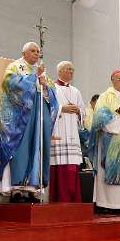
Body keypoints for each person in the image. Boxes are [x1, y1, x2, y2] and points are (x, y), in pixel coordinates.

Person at [0, 42, 58, 203]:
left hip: (38, 116)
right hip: (20, 118)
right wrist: (33, 78)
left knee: (36, 148)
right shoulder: (15, 67)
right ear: (23, 53)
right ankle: (15, 188)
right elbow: (9, 85)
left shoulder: (42, 72)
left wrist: (45, 86)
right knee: (20, 150)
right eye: (33, 51)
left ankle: (32, 188)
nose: (36, 53)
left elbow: (51, 95)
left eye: (38, 51)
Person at [89, 70, 120, 213]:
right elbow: (99, 116)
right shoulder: (105, 97)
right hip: (110, 139)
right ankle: (107, 204)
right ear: (112, 80)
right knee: (108, 169)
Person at [50, 61, 86, 202]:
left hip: (72, 134)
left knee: (72, 169)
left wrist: (78, 111)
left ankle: (74, 200)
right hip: (58, 132)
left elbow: (83, 112)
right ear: (59, 71)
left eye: (72, 70)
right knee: (59, 168)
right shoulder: (51, 88)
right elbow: (46, 109)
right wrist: (61, 109)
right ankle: (59, 199)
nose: (71, 72)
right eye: (68, 69)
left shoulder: (76, 91)